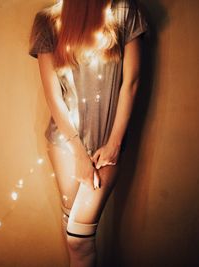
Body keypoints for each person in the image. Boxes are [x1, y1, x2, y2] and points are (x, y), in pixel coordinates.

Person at [29, 0, 147, 266]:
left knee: (78, 240)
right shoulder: (47, 20)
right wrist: (78, 154)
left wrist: (115, 143)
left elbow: (131, 82)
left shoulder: (125, 12)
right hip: (66, 144)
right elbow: (53, 94)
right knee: (72, 230)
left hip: (108, 143)